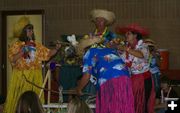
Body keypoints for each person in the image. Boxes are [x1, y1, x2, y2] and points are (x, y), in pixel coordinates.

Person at [3, 19, 61, 113]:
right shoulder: (16, 45)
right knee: (21, 99)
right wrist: (23, 51)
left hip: (35, 76)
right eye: (29, 30)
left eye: (32, 30)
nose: (32, 32)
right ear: (23, 32)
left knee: (34, 99)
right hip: (21, 77)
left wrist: (56, 49)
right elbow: (12, 59)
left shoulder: (37, 45)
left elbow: (48, 54)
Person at [75, 37, 135, 113]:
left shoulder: (90, 52)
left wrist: (78, 89)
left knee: (108, 108)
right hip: (125, 79)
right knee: (122, 108)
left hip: (109, 80)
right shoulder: (110, 50)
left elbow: (87, 76)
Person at [116, 23, 155, 113]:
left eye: (128, 33)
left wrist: (127, 49)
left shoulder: (143, 46)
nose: (126, 35)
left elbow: (141, 55)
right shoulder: (127, 48)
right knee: (134, 104)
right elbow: (122, 61)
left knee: (143, 105)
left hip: (144, 79)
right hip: (133, 79)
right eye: (125, 34)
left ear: (135, 35)